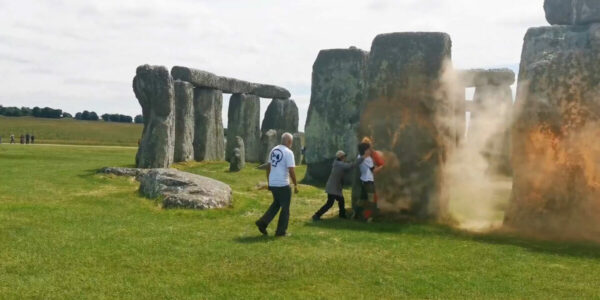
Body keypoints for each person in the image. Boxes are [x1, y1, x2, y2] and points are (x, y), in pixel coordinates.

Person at [255, 132, 298, 237]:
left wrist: (269, 182)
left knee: (276, 204)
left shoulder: (274, 150)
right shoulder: (288, 152)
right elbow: (291, 170)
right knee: (285, 208)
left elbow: (268, 167)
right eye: (291, 142)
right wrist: (295, 184)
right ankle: (281, 232)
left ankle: (262, 223)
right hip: (282, 183)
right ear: (289, 141)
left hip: (273, 182)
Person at [312, 149, 370, 221]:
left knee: (341, 200)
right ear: (341, 157)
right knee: (329, 204)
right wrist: (362, 158)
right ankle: (317, 215)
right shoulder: (340, 164)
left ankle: (342, 215)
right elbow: (351, 166)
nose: (345, 158)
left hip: (335, 187)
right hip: (333, 188)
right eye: (344, 156)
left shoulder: (338, 163)